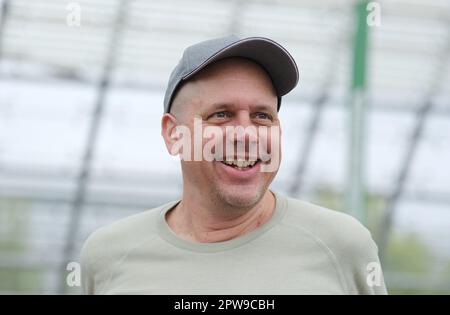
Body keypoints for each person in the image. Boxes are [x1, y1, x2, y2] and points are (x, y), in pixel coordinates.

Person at [80, 35, 387, 294]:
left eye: (262, 116)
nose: (246, 135)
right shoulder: (108, 256)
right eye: (221, 115)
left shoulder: (342, 246)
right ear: (174, 135)